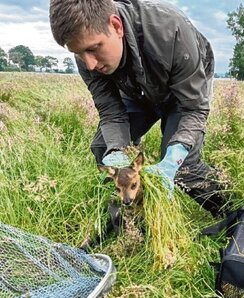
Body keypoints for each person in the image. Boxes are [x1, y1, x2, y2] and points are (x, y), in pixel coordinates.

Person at [49, 0, 227, 216]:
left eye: (93, 49)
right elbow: (111, 112)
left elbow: (194, 108)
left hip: (182, 93)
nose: (90, 65)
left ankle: (230, 209)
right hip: (135, 89)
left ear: (116, 26)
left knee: (183, 166)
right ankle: (132, 211)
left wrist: (177, 152)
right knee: (103, 146)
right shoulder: (88, 59)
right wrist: (116, 150)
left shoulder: (170, 29)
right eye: (77, 53)